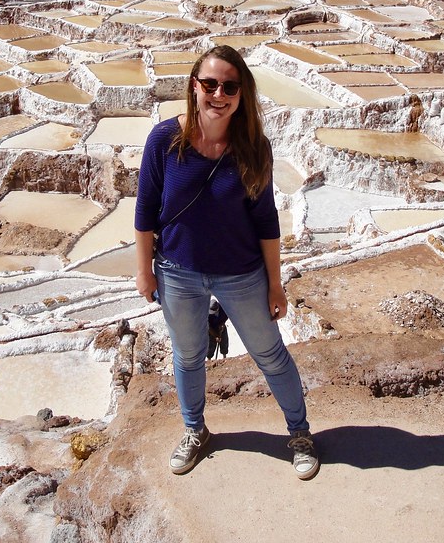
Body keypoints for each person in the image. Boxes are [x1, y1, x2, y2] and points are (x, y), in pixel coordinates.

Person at [134, 45, 319, 480]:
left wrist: (276, 284)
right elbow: (145, 213)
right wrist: (144, 270)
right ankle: (195, 431)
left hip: (241, 273)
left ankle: (300, 434)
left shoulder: (253, 148)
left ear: (241, 93)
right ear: (194, 87)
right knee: (188, 355)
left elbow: (266, 221)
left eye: (230, 86)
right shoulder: (164, 140)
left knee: (270, 353)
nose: (219, 94)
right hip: (178, 272)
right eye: (210, 84)